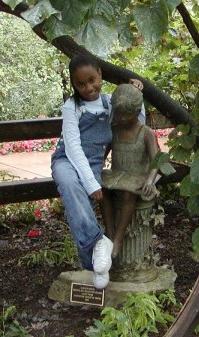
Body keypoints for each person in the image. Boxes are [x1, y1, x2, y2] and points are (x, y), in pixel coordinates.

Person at [50, 54, 144, 290]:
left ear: (100, 74)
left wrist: (136, 95)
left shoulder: (109, 104)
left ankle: (98, 266)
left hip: (93, 163)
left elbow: (135, 120)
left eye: (92, 80)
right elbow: (73, 146)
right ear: (74, 85)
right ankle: (99, 241)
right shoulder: (71, 107)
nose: (88, 88)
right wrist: (91, 183)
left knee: (78, 202)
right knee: (70, 184)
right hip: (66, 158)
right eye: (81, 84)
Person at [100, 84, 160, 258]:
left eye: (126, 114)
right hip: (117, 176)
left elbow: (156, 161)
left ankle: (118, 238)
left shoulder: (145, 133)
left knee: (128, 194)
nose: (121, 118)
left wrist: (149, 180)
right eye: (118, 113)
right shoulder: (114, 129)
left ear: (137, 111)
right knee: (102, 190)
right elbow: (103, 156)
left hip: (137, 178)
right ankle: (110, 232)